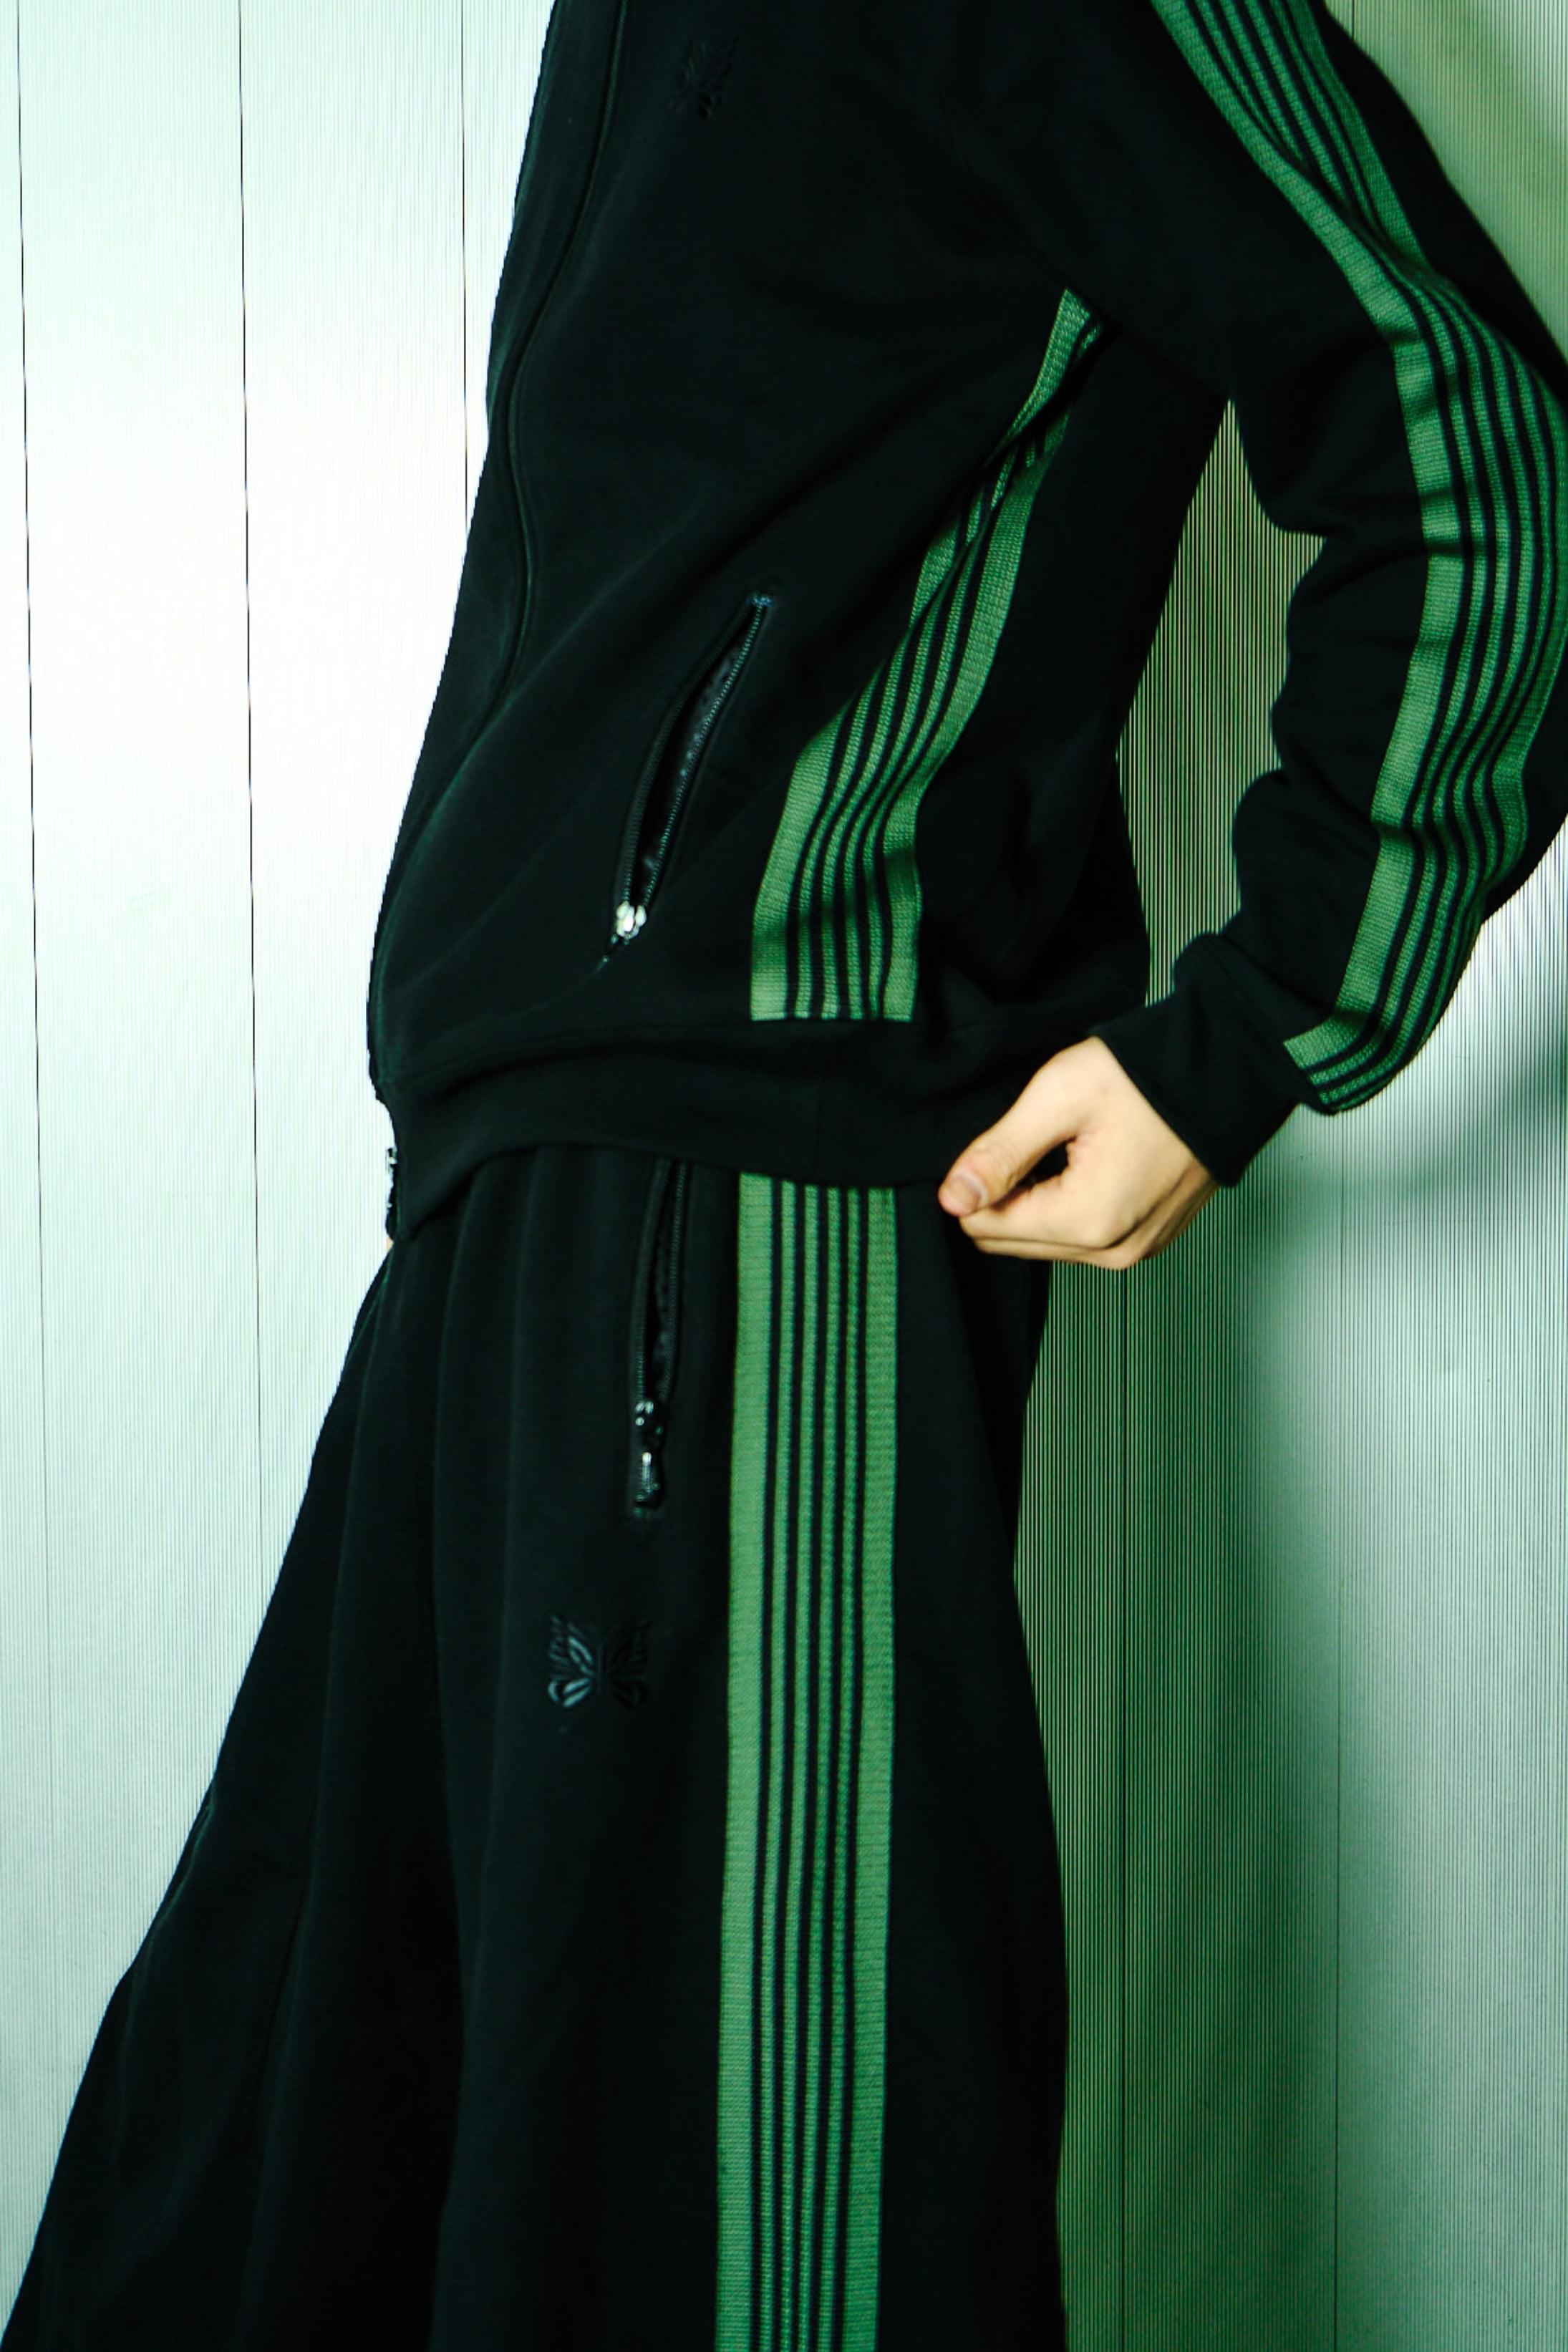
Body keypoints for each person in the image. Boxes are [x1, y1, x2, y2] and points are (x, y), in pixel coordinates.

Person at [6, 1, 1566, 2345]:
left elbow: (1475, 445)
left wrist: (1250, 1034)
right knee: (269, 2183)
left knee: (752, 2242)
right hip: (506, 1208)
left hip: (751, 1236)